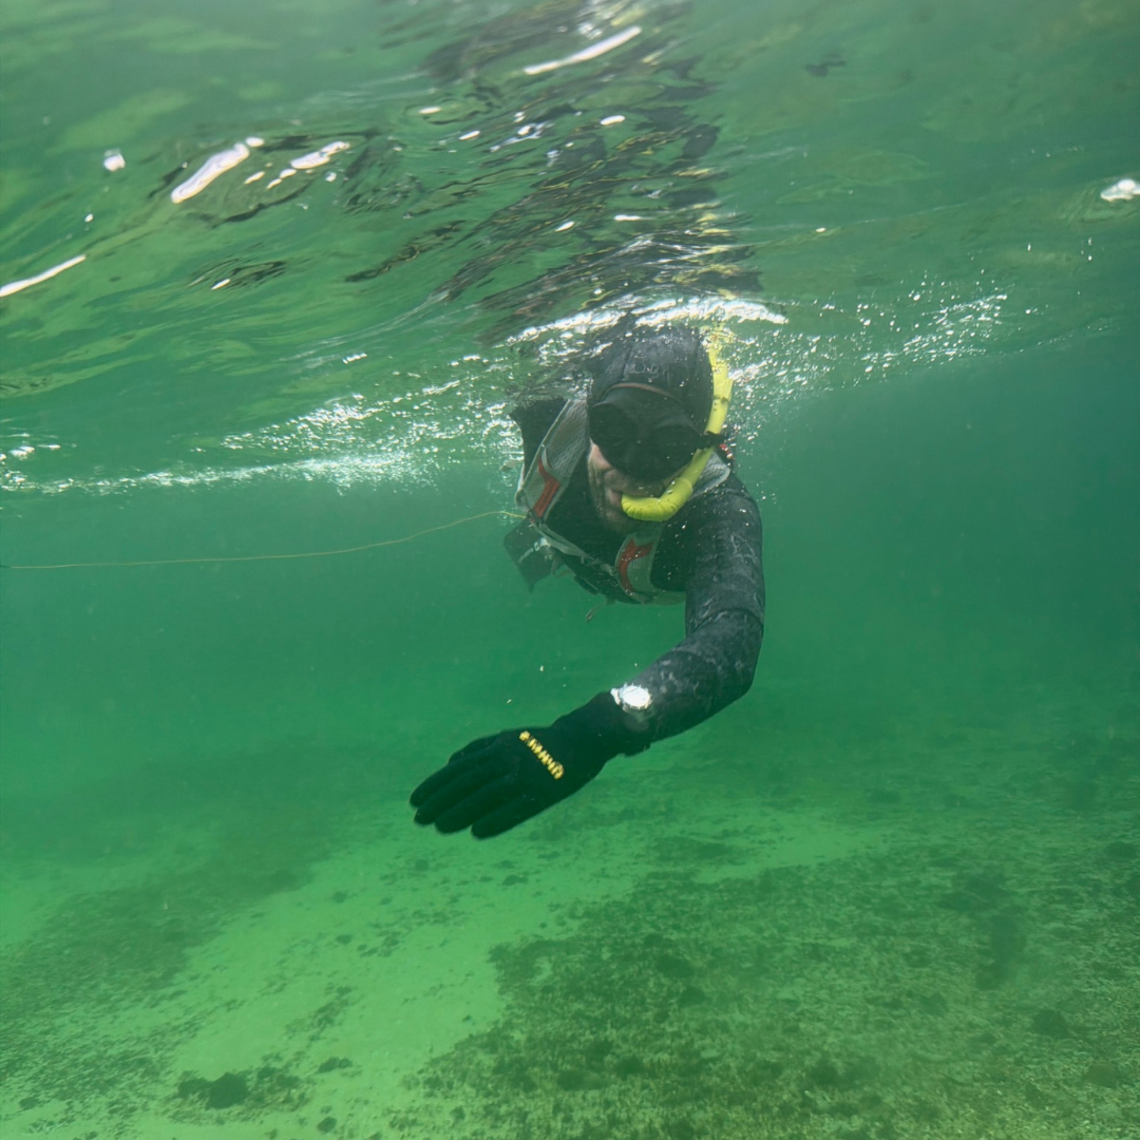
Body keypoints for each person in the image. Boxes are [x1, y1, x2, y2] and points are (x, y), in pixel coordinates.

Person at [409, 324, 765, 838]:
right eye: (614, 431)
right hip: (573, 557)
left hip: (625, 583)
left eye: (667, 446)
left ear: (699, 449)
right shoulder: (551, 414)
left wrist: (597, 729)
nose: (629, 474)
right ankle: (552, 553)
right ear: (589, 410)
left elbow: (732, 643)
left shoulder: (718, 511)